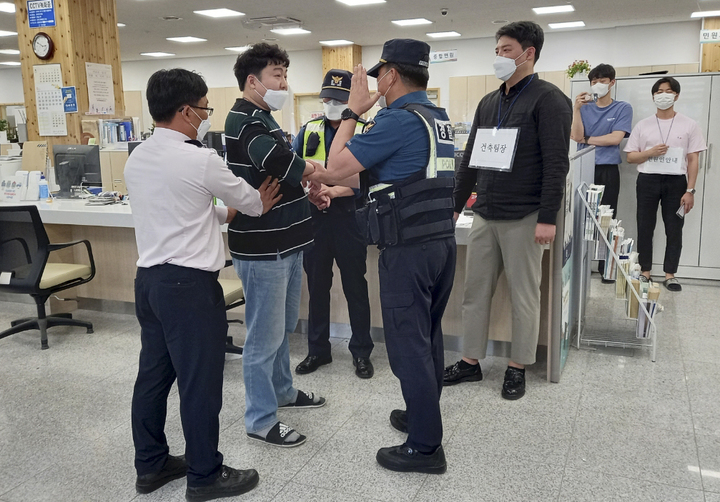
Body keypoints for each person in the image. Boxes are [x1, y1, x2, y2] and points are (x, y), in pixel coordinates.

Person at [126, 68, 280, 501]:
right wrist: (255, 203)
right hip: (189, 289)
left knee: (153, 378)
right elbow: (250, 200)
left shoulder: (138, 156)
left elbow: (180, 211)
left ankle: (151, 465)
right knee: (200, 382)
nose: (207, 114)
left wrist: (222, 214)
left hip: (150, 284)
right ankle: (205, 474)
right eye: (205, 107)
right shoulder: (200, 158)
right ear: (185, 110)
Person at [308, 39, 456, 475]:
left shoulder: (396, 120)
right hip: (438, 244)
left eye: (378, 76)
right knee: (426, 336)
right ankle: (420, 414)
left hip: (408, 248)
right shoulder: (436, 117)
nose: (374, 85)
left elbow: (335, 165)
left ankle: (425, 447)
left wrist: (353, 113)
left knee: (407, 344)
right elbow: (378, 177)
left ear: (391, 74)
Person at [447, 21, 572, 399]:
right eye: (497, 50)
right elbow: (469, 160)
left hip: (526, 215)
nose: (499, 56)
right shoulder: (489, 102)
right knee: (474, 292)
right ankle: (470, 362)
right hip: (485, 212)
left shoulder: (550, 100)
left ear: (528, 53)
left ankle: (517, 366)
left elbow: (556, 164)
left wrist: (548, 217)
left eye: (506, 49)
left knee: (523, 295)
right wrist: (456, 206)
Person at [224, 43, 326, 448]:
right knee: (263, 338)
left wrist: (309, 191)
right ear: (253, 81)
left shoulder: (264, 117)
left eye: (285, 75)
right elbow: (281, 165)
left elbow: (285, 177)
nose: (284, 83)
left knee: (283, 329)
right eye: (276, 76)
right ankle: (260, 418)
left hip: (288, 242)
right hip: (264, 248)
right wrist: (318, 172)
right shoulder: (245, 120)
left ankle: (283, 391)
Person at [292, 69, 374, 379]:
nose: (331, 103)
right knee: (317, 287)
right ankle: (317, 351)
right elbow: (294, 169)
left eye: (338, 99)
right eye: (327, 97)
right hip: (314, 218)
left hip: (349, 216)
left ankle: (362, 352)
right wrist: (312, 190)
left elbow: (369, 178)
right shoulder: (308, 129)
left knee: (355, 287)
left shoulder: (365, 130)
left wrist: (332, 190)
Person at [624, 77, 706, 292]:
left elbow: (693, 159)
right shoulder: (643, 125)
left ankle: (671, 274)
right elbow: (631, 157)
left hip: (677, 183)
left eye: (668, 91)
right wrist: (650, 153)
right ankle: (645, 272)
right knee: (645, 225)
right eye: (659, 92)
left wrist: (690, 190)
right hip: (648, 180)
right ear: (653, 96)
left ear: (676, 96)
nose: (663, 95)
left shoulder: (689, 124)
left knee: (674, 227)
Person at [570, 63, 633, 278]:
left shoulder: (622, 108)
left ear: (612, 83)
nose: (598, 85)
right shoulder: (584, 107)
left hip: (607, 169)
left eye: (602, 81)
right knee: (581, 217)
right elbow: (575, 136)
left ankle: (606, 268)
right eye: (594, 81)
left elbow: (615, 139)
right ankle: (580, 265)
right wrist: (576, 109)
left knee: (606, 218)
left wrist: (588, 139)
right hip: (583, 167)